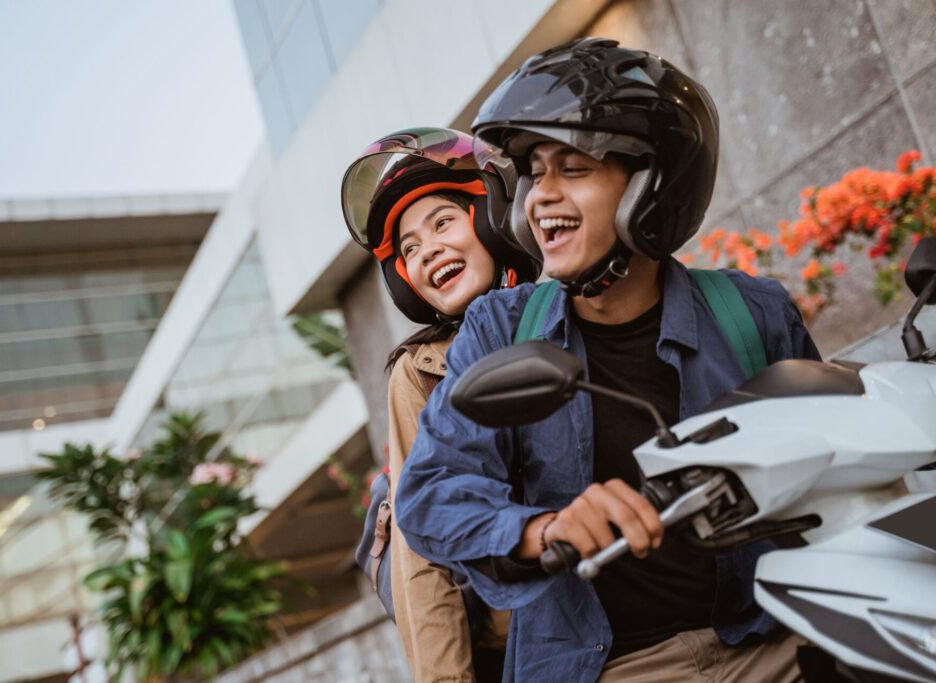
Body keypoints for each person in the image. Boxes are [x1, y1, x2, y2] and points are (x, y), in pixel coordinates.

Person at [395, 39, 821, 681]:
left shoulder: (752, 312)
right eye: (535, 172)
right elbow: (431, 495)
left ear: (653, 184)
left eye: (574, 168)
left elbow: (835, 465)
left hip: (770, 640)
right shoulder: (501, 330)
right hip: (606, 668)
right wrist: (545, 529)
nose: (540, 196)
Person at [341, 127, 540, 681]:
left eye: (443, 222)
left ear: (489, 218)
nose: (427, 249)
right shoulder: (421, 372)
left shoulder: (567, 311)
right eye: (409, 248)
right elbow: (417, 549)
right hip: (517, 649)